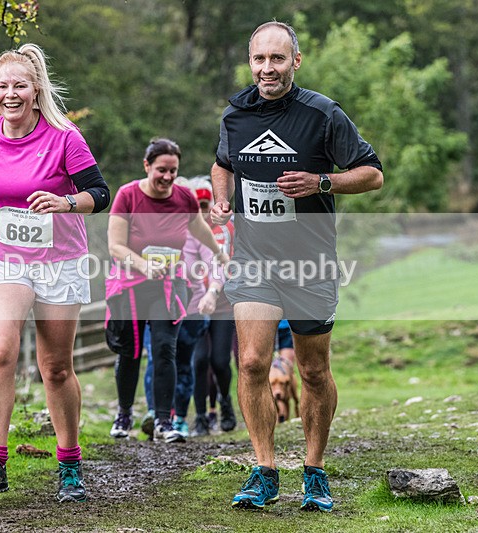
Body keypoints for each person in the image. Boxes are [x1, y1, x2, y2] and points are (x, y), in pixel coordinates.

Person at [210, 21, 383, 512]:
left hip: (310, 264)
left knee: (312, 369)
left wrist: (322, 183)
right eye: (260, 59)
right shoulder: (236, 115)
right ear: (251, 62)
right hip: (253, 261)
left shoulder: (323, 114)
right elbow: (223, 163)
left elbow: (372, 174)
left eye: (278, 59)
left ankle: (314, 471)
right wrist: (222, 199)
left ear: (296, 62)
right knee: (251, 362)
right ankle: (264, 470)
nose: (268, 68)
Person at [0, 43, 109, 503]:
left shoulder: (65, 137)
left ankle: (70, 466)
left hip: (60, 261)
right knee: (0, 351)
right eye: (3, 86)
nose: (11, 94)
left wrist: (65, 202)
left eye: (20, 85)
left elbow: (98, 192)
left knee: (55, 368)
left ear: (36, 91)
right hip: (5, 257)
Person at [106, 138, 228, 444]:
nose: (168, 177)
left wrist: (218, 253)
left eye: (173, 171)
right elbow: (116, 246)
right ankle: (124, 414)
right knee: (131, 353)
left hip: (168, 285)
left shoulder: (184, 197)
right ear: (147, 166)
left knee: (164, 351)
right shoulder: (128, 195)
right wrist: (144, 266)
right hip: (130, 286)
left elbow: (199, 227)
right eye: (162, 170)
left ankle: (164, 420)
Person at [140, 178, 222, 439]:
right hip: (158, 305)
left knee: (183, 364)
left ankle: (179, 418)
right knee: (157, 359)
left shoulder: (196, 231)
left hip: (192, 307)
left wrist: (212, 292)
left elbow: (216, 262)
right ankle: (156, 414)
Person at [189, 177, 237, 437]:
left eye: (205, 203)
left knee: (219, 360)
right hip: (194, 304)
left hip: (223, 304)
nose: (201, 209)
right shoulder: (186, 229)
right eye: (196, 204)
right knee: (199, 361)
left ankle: (225, 403)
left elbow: (238, 258)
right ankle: (199, 417)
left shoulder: (228, 227)